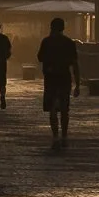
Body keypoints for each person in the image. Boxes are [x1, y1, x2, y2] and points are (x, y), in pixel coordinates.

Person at [36, 17, 80, 149]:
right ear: (63, 28)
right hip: (64, 78)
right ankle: (64, 136)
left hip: (51, 78)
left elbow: (40, 57)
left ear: (51, 27)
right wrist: (77, 84)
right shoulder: (69, 42)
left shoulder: (46, 41)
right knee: (65, 109)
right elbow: (75, 64)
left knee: (53, 109)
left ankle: (55, 137)